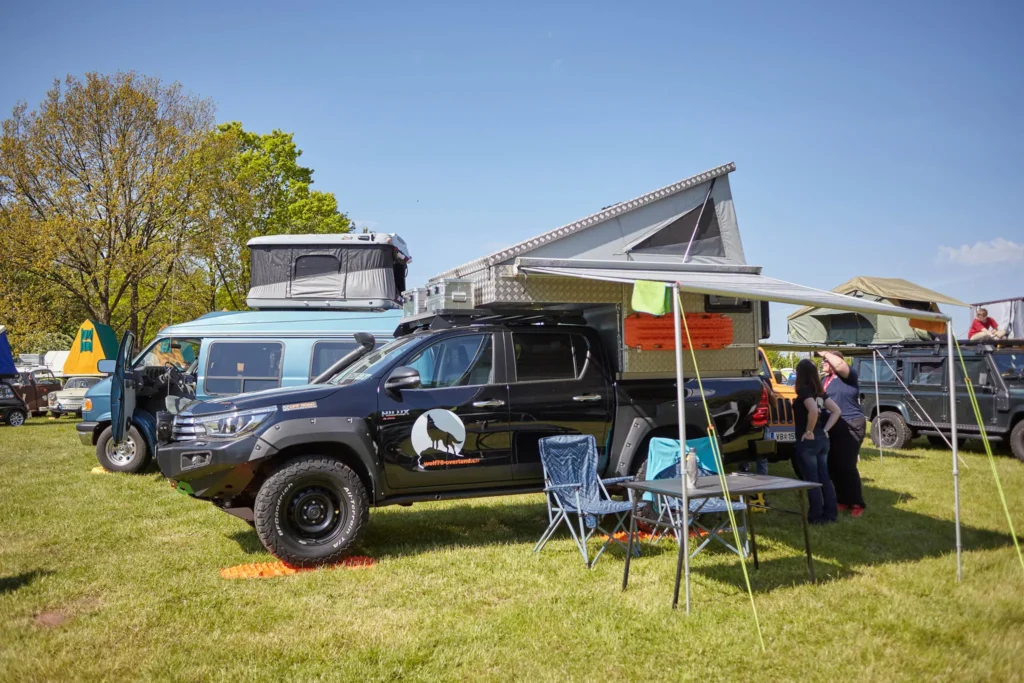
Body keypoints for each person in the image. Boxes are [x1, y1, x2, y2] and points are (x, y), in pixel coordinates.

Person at [818, 350, 867, 517]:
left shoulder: (848, 376)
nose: (823, 363)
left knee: (847, 465)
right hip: (832, 425)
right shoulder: (825, 380)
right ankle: (842, 500)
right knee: (833, 465)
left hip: (851, 424)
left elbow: (840, 365)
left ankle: (856, 503)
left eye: (825, 360)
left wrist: (825, 351)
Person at [793, 359, 841, 524]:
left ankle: (816, 515)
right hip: (822, 439)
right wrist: (825, 430)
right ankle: (830, 513)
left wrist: (808, 431)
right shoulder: (820, 392)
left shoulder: (804, 391)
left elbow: (812, 411)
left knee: (812, 479)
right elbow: (836, 411)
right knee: (824, 478)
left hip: (809, 441)